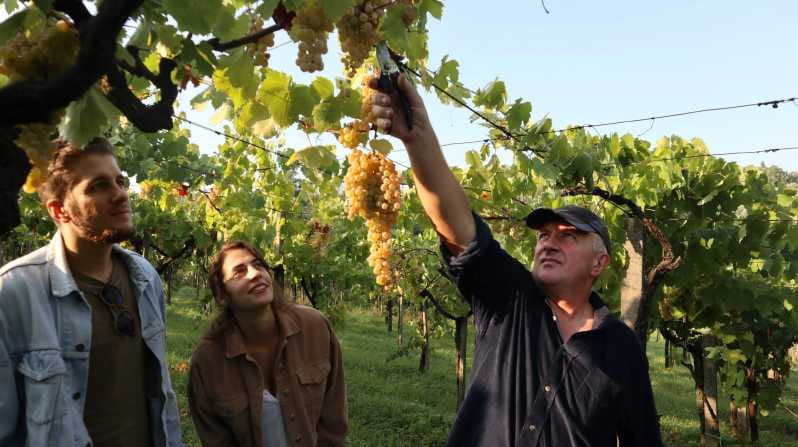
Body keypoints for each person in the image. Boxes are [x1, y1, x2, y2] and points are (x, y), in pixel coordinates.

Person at [367, 77, 663, 446]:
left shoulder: (621, 346)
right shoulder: (509, 299)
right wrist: (417, 138)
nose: (549, 243)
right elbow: (457, 226)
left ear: (599, 263)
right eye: (543, 235)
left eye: (568, 236)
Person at [0, 138, 183, 446]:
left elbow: (161, 391)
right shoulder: (14, 293)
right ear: (60, 211)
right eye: (98, 186)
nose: (121, 194)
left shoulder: (146, 277)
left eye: (119, 181)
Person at [187, 241, 347, 447]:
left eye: (258, 265)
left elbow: (333, 420)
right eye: (239, 272)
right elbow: (216, 439)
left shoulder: (316, 328)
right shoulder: (207, 362)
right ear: (222, 295)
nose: (255, 274)